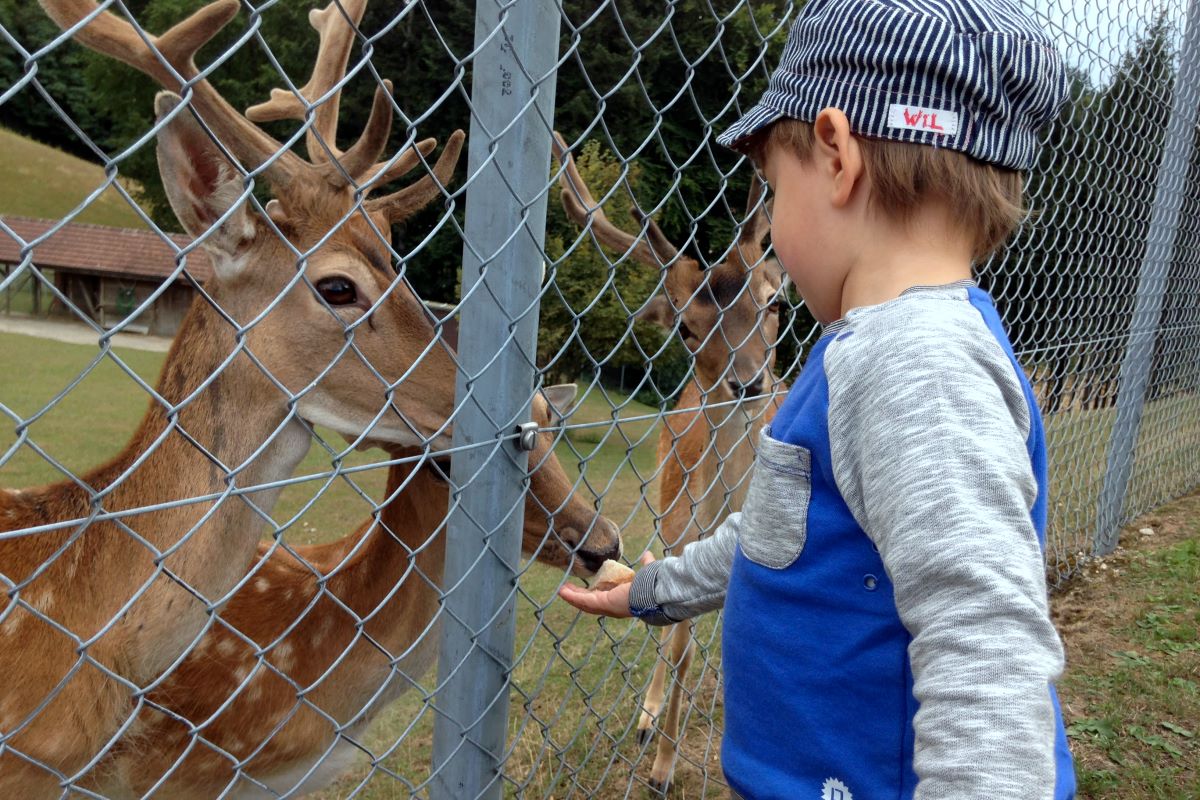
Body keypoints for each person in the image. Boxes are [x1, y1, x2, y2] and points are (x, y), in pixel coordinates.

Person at [557, 0, 1076, 797]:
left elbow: (987, 649)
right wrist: (661, 589)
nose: (771, 219)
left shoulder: (919, 364)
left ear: (835, 156)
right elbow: (782, 532)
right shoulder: (871, 350)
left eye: (772, 187)